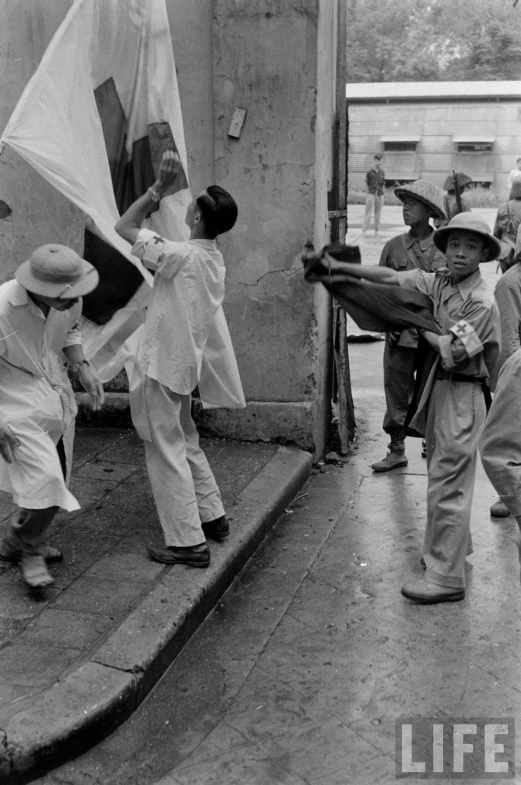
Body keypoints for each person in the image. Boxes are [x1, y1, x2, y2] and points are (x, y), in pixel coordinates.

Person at [307, 213, 501, 603]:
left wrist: (418, 322)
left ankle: (446, 579)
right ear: (444, 249)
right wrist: (339, 266)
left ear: (483, 254)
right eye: (454, 245)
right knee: (443, 478)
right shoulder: (441, 281)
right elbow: (393, 281)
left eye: (470, 246)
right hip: (441, 393)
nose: (460, 253)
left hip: (463, 393)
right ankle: (454, 553)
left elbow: (452, 354)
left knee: (447, 485)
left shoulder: (480, 303)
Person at [115, 150, 238, 568]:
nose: (186, 204)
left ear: (199, 219)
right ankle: (212, 517)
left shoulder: (180, 256)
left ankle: (187, 543)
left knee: (166, 450)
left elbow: (124, 226)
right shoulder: (212, 259)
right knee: (185, 441)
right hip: (183, 366)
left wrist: (156, 191)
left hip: (163, 365)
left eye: (193, 202)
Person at [0, 245, 104, 588]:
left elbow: (71, 329)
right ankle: (26, 549)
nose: (75, 302)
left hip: (53, 396)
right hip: (11, 401)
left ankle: (19, 539)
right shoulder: (2, 308)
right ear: (40, 290)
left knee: (56, 473)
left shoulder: (70, 298)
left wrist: (82, 367)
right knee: (46, 479)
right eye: (66, 297)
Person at [371, 179, 447, 472]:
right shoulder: (393, 247)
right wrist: (387, 322)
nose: (405, 209)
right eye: (403, 203)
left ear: (428, 210)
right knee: (396, 390)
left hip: (433, 334)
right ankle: (396, 448)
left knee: (434, 390)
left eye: (412, 204)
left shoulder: (445, 246)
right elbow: (380, 289)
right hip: (400, 333)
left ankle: (431, 440)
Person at [486, 233, 521, 518]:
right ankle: (509, 495)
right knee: (511, 442)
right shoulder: (510, 282)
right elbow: (508, 339)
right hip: (517, 374)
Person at [494, 179, 521, 275]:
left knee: (506, 281)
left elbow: (496, 234)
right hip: (519, 254)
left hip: (505, 253)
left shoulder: (503, 207)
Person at [362, 154, 385, 237]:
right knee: (368, 212)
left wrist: (383, 194)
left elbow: (383, 184)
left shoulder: (382, 172)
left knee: (378, 213)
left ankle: (377, 230)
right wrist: (367, 194)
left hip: (379, 194)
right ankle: (364, 230)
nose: (378, 162)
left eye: (380, 160)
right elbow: (366, 183)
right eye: (377, 160)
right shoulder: (369, 172)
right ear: (374, 161)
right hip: (371, 194)